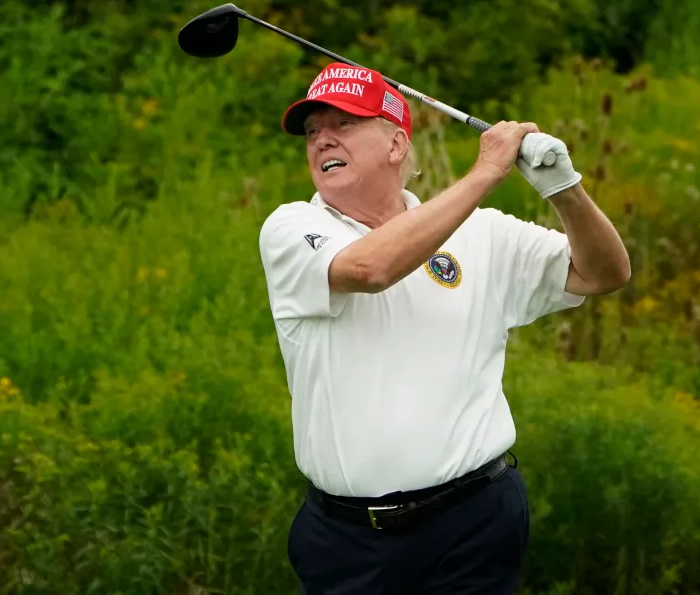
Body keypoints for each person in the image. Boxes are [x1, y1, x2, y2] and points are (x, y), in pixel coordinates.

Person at [257, 62, 631, 594]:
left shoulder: (482, 233)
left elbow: (605, 272)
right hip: (347, 539)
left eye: (344, 124)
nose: (322, 140)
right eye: (313, 131)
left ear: (395, 144)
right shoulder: (292, 227)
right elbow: (370, 269)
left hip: (473, 524)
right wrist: (485, 174)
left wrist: (564, 190)